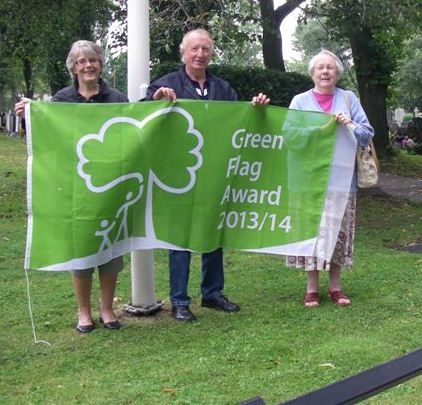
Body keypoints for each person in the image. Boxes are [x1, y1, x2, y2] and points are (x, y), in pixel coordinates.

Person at [146, 28, 270, 321]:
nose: (200, 54)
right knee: (180, 237)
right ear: (183, 53)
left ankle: (212, 294)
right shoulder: (167, 83)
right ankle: (179, 300)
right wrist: (156, 98)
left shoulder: (223, 88)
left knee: (214, 232)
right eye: (195, 49)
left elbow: (241, 122)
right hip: (180, 174)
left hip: (215, 172)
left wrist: (256, 108)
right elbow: (143, 113)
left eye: (205, 49)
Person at [15, 40, 128, 333]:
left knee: (110, 250)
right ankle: (83, 313)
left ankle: (106, 309)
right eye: (81, 62)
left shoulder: (116, 98)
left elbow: (132, 131)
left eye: (92, 60)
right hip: (75, 186)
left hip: (110, 185)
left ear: (100, 64)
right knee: (81, 250)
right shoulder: (61, 100)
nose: (88, 66)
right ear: (73, 67)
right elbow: (48, 136)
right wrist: (32, 116)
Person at [285, 49, 374, 308]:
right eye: (320, 68)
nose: (325, 72)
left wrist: (350, 125)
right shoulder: (300, 101)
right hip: (307, 180)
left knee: (338, 231)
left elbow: (367, 133)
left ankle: (335, 287)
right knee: (309, 231)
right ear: (312, 73)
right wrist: (319, 129)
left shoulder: (348, 99)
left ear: (337, 74)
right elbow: (289, 135)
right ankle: (311, 288)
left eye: (330, 68)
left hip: (341, 179)